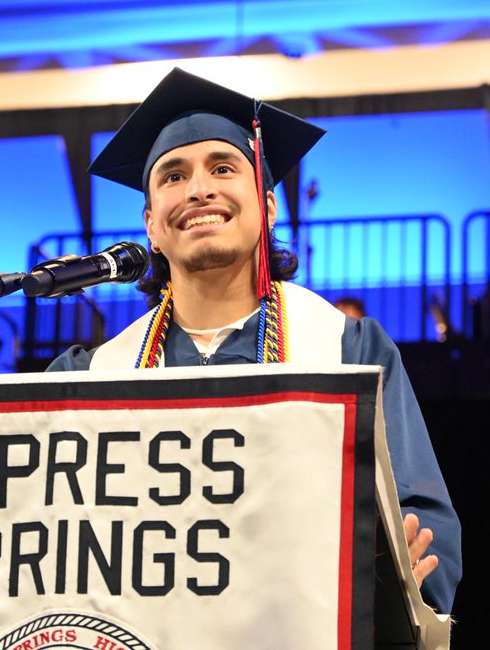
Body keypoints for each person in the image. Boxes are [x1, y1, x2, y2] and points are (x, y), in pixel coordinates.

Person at [47, 68, 461, 613]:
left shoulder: (347, 350)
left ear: (266, 207)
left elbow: (424, 532)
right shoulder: (89, 377)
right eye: (172, 176)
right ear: (150, 224)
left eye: (223, 167)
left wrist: (390, 566)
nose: (199, 189)